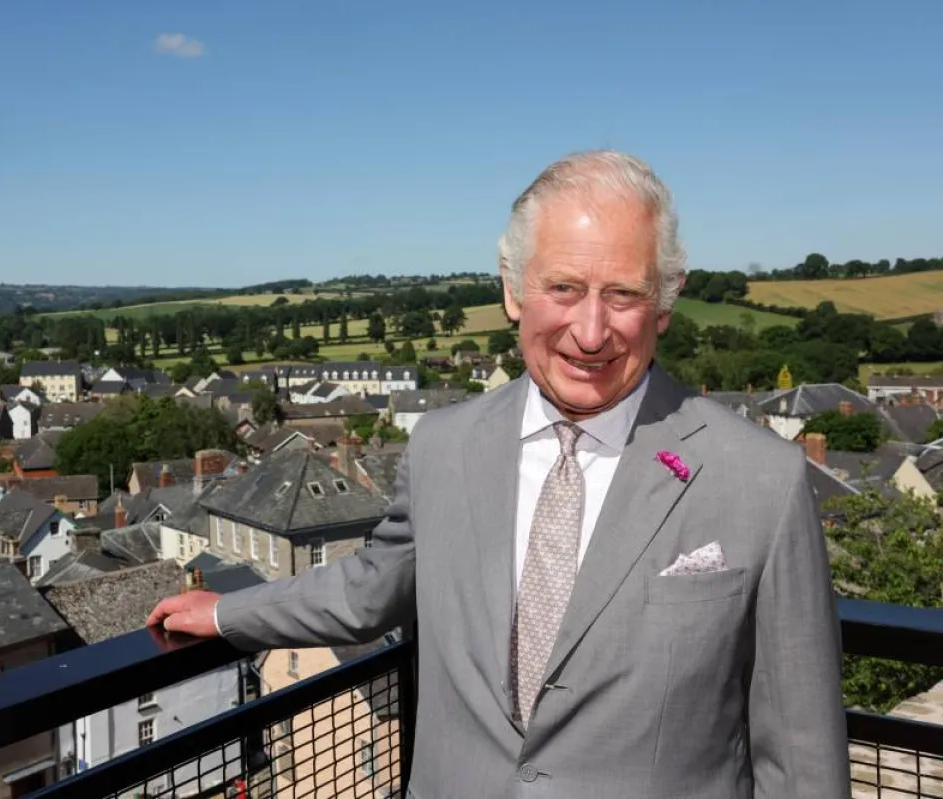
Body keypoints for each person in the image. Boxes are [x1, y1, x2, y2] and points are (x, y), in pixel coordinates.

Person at [147, 150, 850, 797]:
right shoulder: (443, 447)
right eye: (564, 287)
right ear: (513, 290)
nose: (592, 330)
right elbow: (370, 589)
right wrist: (227, 611)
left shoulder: (760, 478)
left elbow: (803, 755)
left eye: (624, 295)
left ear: (665, 303)